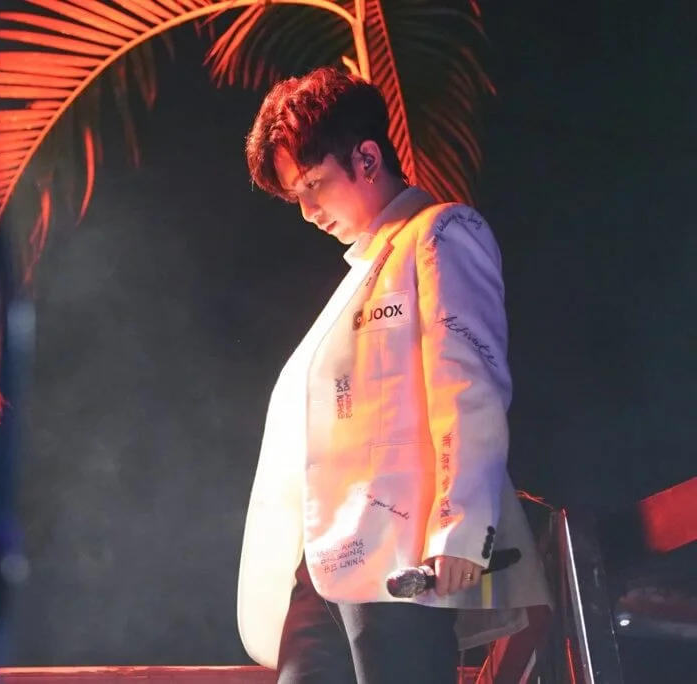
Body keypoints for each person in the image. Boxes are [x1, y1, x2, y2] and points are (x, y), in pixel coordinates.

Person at [234, 67, 552, 683]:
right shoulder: (360, 277)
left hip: (399, 554)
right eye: (297, 195)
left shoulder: (440, 233)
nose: (308, 212)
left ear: (367, 157)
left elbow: (468, 385)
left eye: (315, 185)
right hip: (324, 561)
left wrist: (460, 529)